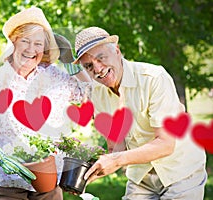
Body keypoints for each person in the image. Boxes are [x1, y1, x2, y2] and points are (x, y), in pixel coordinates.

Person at [73, 26, 207, 199]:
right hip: (141, 176)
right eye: (89, 66)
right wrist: (86, 174)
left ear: (117, 51)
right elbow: (116, 147)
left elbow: (166, 144)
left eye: (101, 57)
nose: (98, 69)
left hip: (180, 169)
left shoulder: (154, 78)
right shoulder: (98, 93)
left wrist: (116, 160)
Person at [0, 7, 91, 200]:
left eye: (38, 44)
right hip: (5, 181)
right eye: (25, 41)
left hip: (47, 179)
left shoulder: (53, 76)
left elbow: (89, 92)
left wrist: (71, 61)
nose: (31, 49)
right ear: (13, 43)